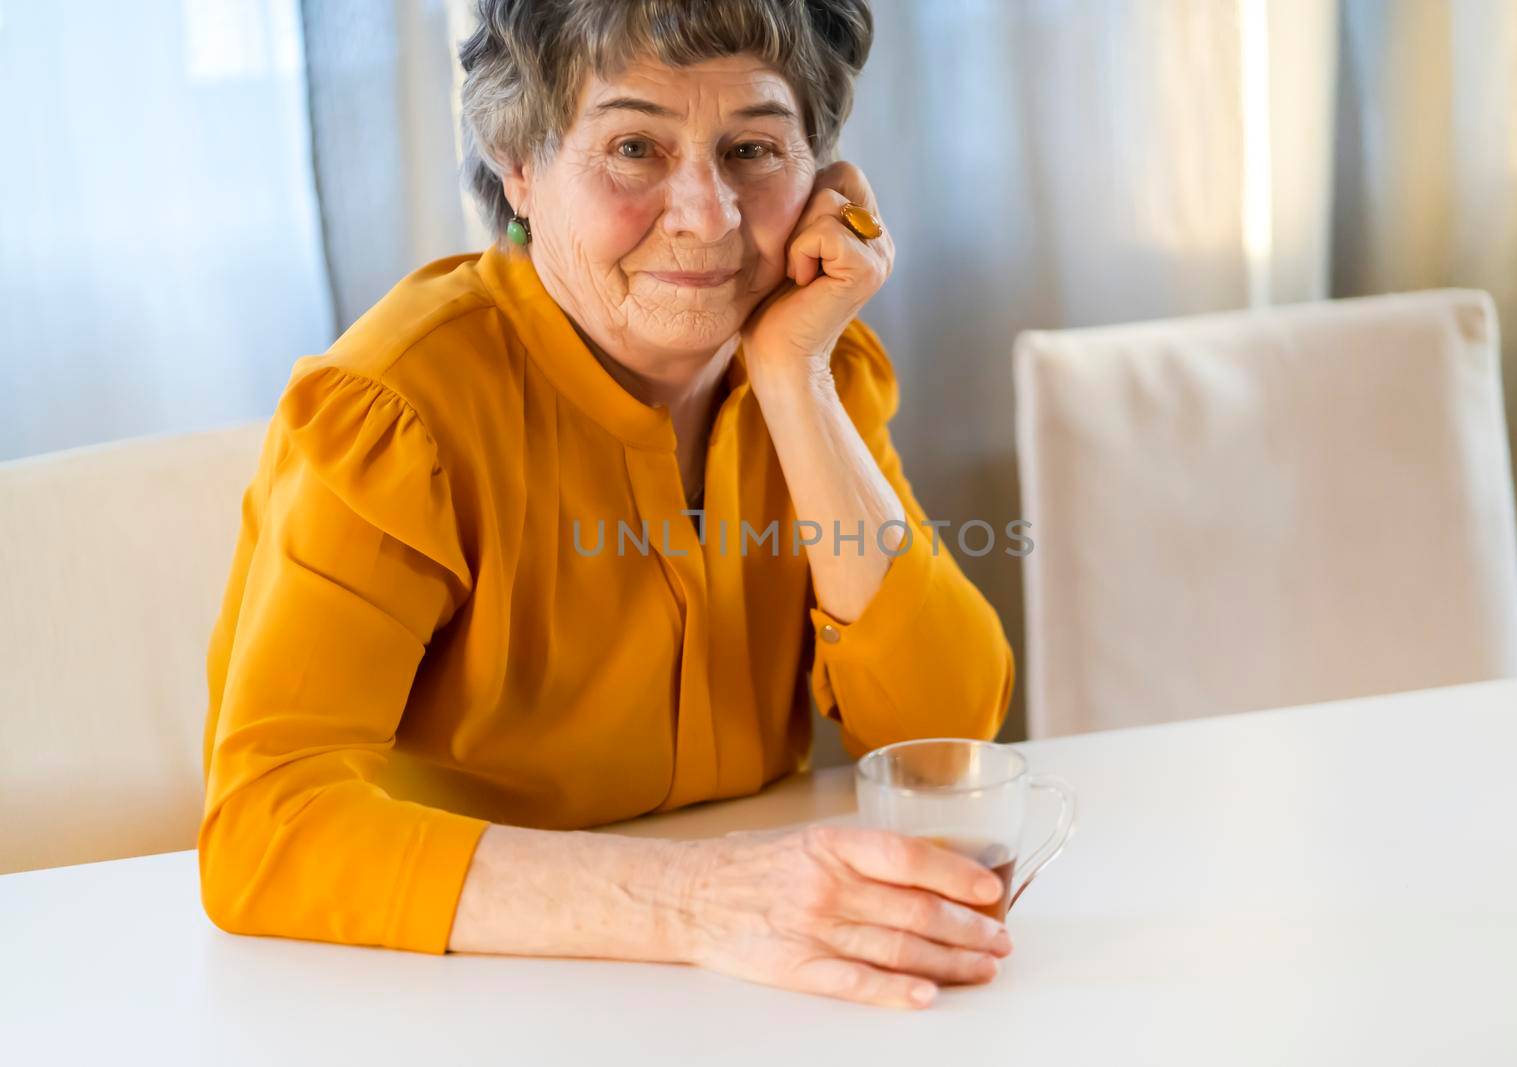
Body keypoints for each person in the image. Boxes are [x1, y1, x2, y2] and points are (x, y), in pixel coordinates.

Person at [199, 0, 1013, 1010]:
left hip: (754, 992)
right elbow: (267, 829)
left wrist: (792, 377)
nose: (707, 213)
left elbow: (941, 730)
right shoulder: (396, 410)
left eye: (754, 148)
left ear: (824, 180)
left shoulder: (816, 363)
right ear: (518, 166)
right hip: (444, 994)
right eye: (634, 146)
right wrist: (698, 901)